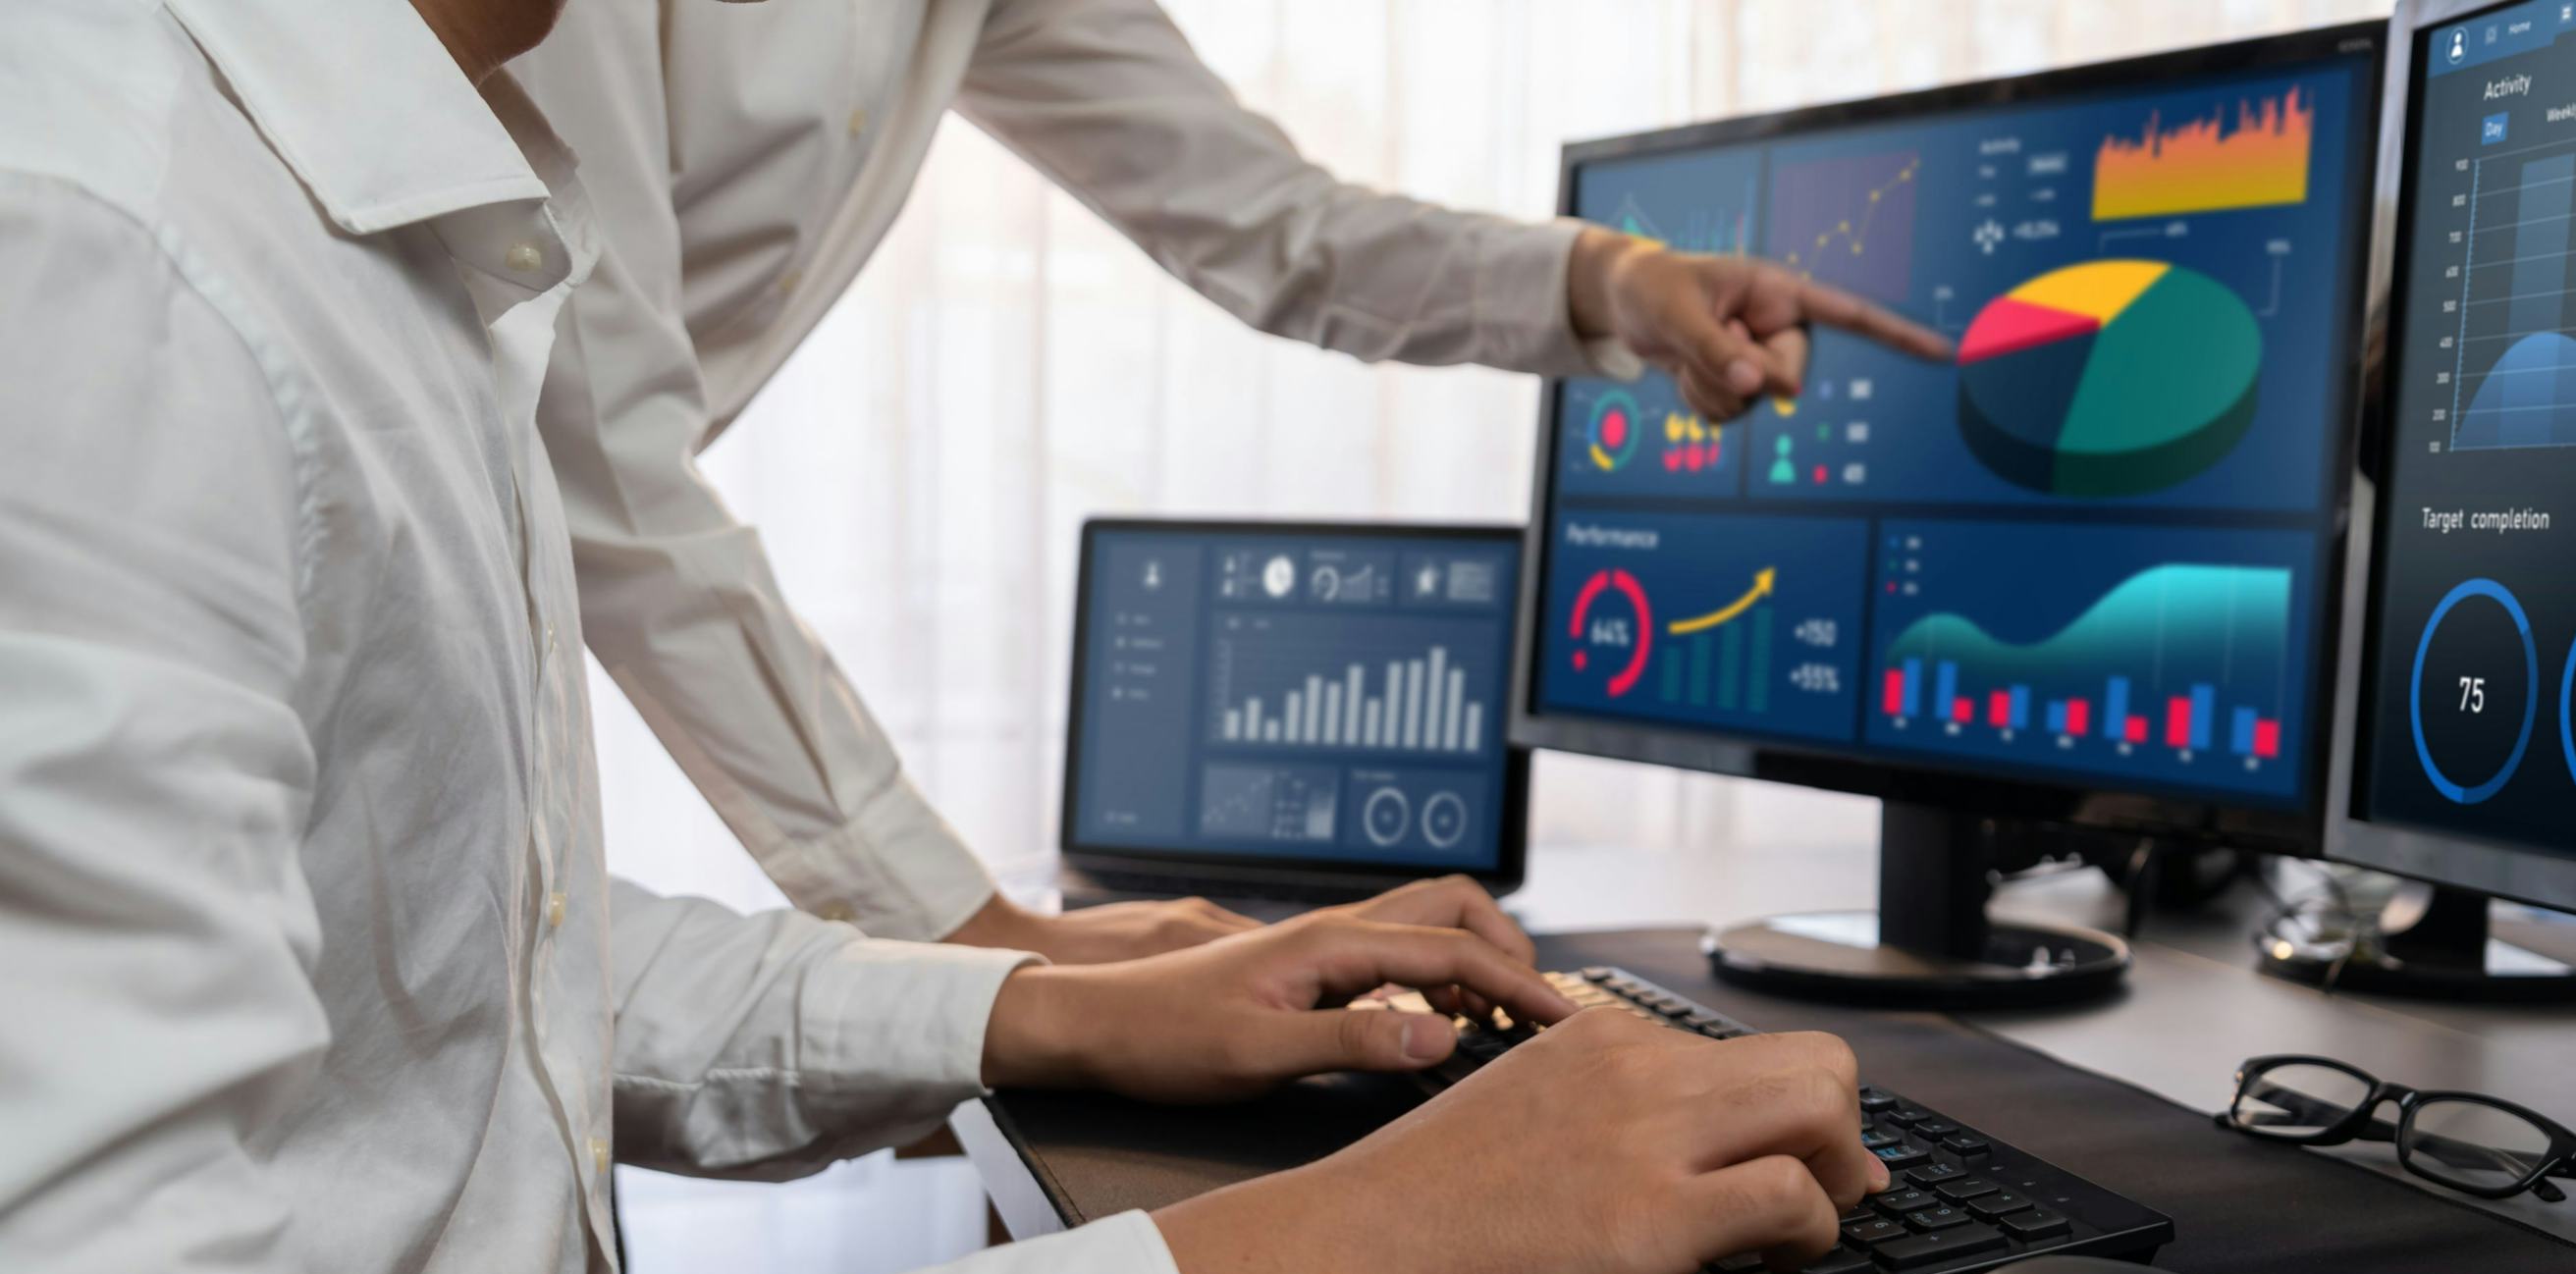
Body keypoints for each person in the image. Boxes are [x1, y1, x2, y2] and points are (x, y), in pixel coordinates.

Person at [0, 3, 1883, 1274]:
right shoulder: (114, 263)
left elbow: (449, 950)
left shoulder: (337, 178)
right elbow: (624, 457)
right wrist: (1324, 1258)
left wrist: (1038, 1009)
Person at [512, 0, 1951, 962]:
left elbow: (1275, 226)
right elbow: (598, 438)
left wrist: (1612, 279)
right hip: (410, 561)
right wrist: (984, 947)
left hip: (513, 598)